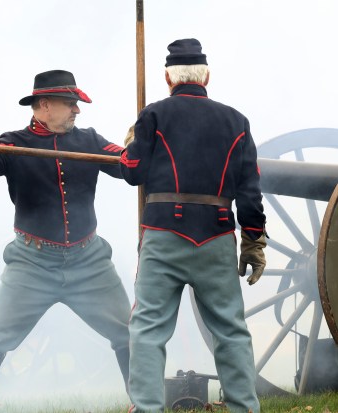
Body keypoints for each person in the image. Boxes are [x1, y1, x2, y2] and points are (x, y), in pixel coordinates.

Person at [0, 69, 132, 413]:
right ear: (44, 104)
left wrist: (138, 149)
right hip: (33, 264)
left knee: (129, 334)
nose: (77, 110)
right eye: (70, 103)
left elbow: (125, 166)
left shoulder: (89, 139)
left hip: (89, 262)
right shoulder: (14, 142)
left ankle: (146, 404)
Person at [120, 38, 267, 413]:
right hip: (217, 236)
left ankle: (148, 409)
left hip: (163, 234)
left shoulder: (153, 115)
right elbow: (250, 190)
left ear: (168, 78)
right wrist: (253, 242)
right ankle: (245, 409)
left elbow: (132, 173)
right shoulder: (236, 120)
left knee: (148, 330)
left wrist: (133, 143)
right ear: (207, 76)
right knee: (231, 331)